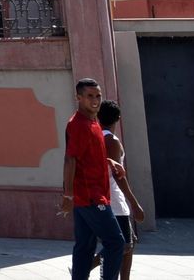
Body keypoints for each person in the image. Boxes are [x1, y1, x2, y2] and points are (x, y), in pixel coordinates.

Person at [62, 78, 126, 280]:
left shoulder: (93, 122)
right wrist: (68, 195)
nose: (95, 100)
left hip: (89, 197)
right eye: (89, 96)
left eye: (98, 96)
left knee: (85, 246)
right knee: (116, 243)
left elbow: (86, 155)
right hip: (91, 197)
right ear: (78, 98)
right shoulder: (79, 124)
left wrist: (109, 161)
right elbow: (70, 159)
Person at [97, 100, 145, 280]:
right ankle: (86, 267)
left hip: (105, 198)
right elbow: (118, 175)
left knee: (127, 243)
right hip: (115, 200)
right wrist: (135, 204)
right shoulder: (111, 140)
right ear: (118, 118)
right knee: (123, 245)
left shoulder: (96, 137)